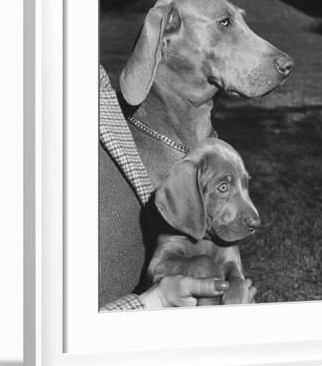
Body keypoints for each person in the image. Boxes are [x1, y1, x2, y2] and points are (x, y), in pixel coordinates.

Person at [99, 65, 255, 310]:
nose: (254, 217)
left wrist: (235, 291)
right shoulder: (180, 212)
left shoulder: (220, 233)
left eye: (244, 185)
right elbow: (158, 268)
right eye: (223, 188)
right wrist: (200, 266)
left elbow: (235, 272)